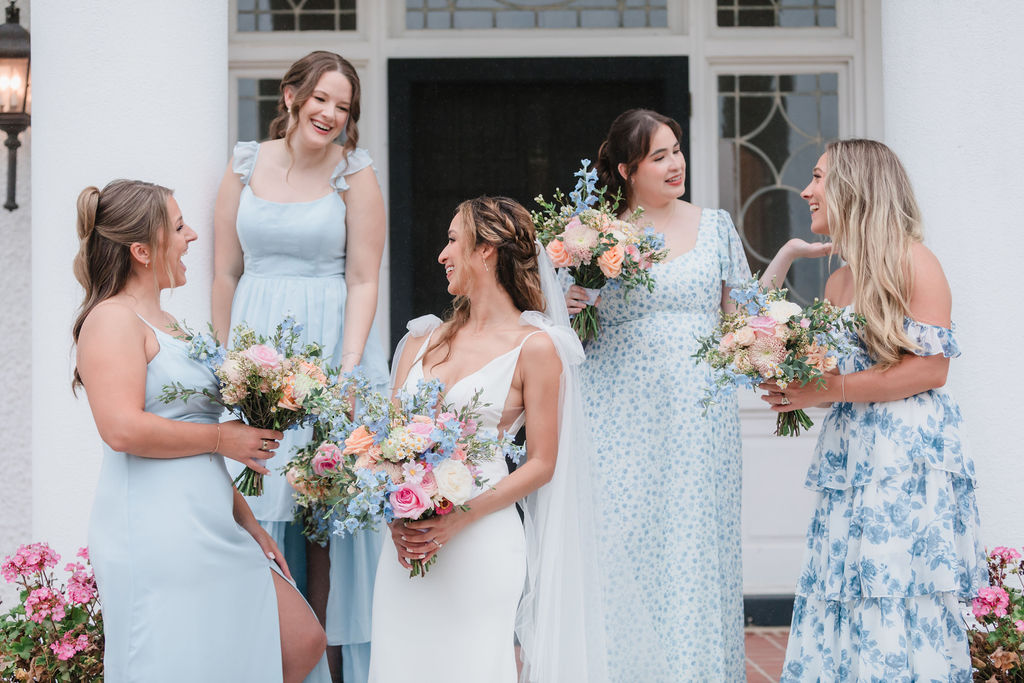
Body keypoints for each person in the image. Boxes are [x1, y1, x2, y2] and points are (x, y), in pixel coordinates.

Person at [562, 108, 829, 679]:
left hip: (698, 418)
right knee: (623, 544)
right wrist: (570, 309)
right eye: (658, 156)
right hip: (616, 416)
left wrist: (784, 255)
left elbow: (742, 320)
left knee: (692, 547)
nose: (675, 164)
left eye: (676, 151)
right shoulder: (593, 235)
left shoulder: (716, 225)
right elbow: (569, 335)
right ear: (627, 169)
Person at [75, 180, 330, 682]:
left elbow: (201, 438)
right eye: (178, 227)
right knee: (184, 662)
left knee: (301, 640)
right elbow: (121, 428)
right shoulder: (111, 320)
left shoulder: (172, 324)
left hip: (212, 517)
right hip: (157, 524)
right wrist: (222, 439)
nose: (191, 235)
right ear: (142, 251)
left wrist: (250, 524)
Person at [763, 139, 984, 681]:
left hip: (905, 455)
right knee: (846, 586)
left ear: (855, 188)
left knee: (898, 589)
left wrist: (826, 388)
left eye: (819, 178)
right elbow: (798, 355)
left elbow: (930, 370)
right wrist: (798, 385)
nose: (806, 191)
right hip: (851, 453)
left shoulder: (914, 262)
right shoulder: (839, 279)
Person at [370, 196, 607, 683]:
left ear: (486, 250)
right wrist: (397, 518)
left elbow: (542, 463)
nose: (442, 254)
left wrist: (459, 517)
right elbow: (386, 444)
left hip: (480, 542)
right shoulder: (420, 341)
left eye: (453, 240)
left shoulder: (535, 348)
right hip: (408, 546)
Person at [212, 51, 389, 682]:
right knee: (256, 499)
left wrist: (347, 370)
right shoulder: (244, 163)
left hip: (332, 348)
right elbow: (225, 272)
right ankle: (257, 657)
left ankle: (327, 668)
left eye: (343, 106)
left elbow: (364, 278)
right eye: (321, 99)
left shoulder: (355, 174)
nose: (331, 114)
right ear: (291, 96)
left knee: (325, 515)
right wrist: (227, 362)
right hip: (256, 350)